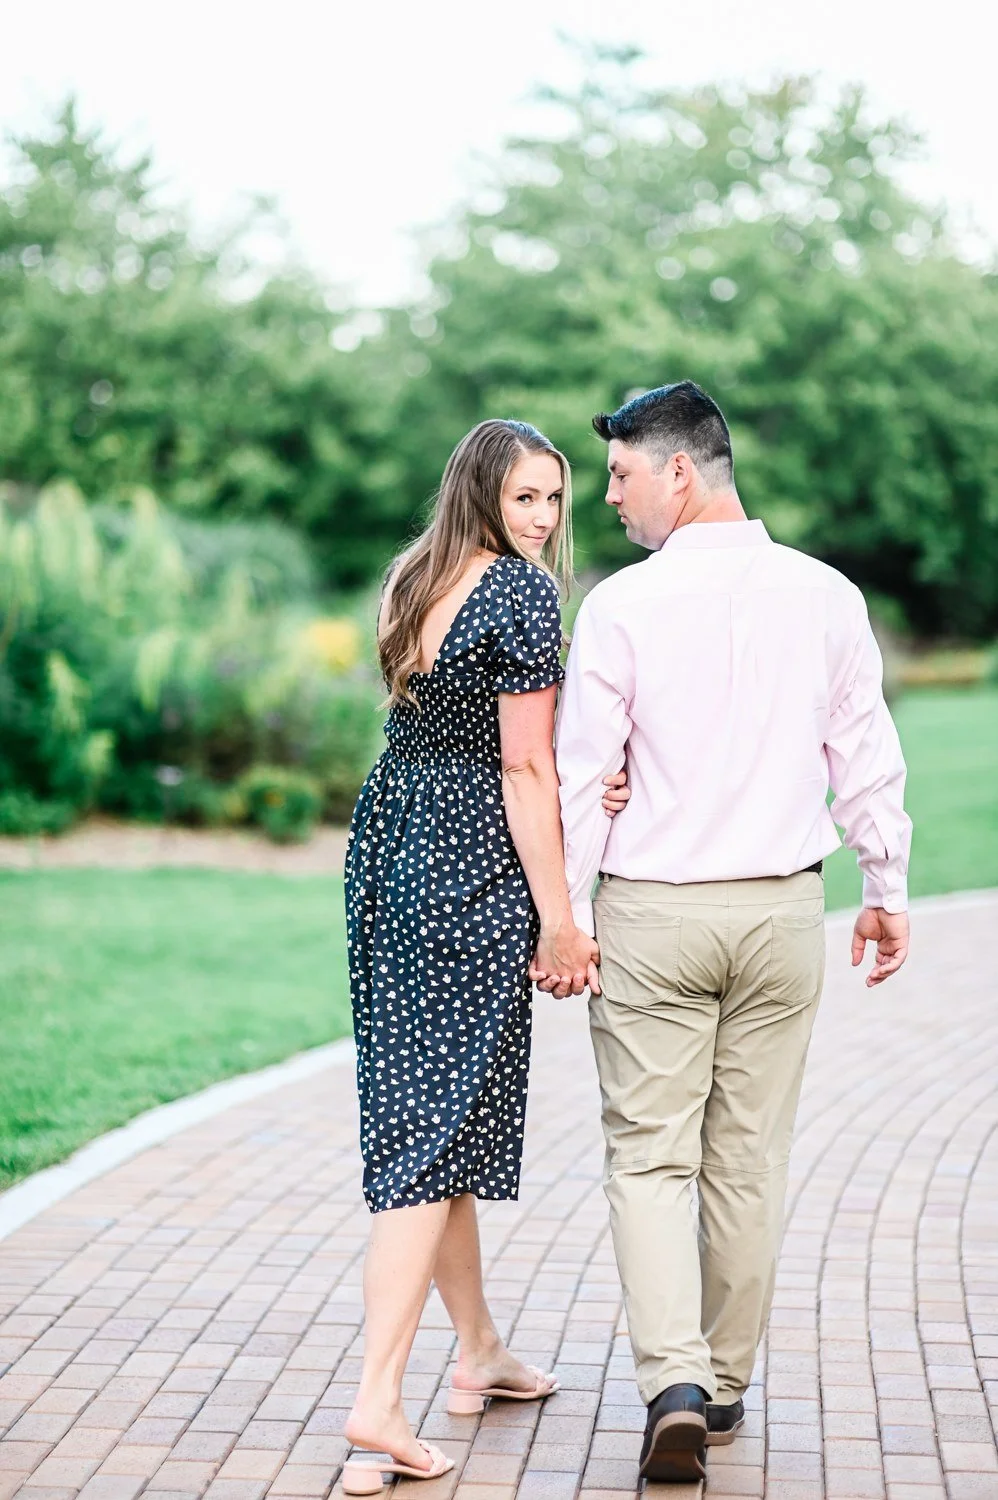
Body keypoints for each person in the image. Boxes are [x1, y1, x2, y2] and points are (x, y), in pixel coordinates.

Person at [548, 381, 912, 1484]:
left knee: (650, 1157)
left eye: (620, 475)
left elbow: (579, 776)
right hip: (779, 911)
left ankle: (671, 1381)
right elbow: (864, 751)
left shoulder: (622, 606)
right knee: (747, 1159)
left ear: (679, 471)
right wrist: (886, 885)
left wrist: (567, 916)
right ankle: (722, 1385)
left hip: (655, 914)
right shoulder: (826, 595)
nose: (608, 497)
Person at [341, 418, 628, 1493]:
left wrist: (574, 777)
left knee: (437, 1113)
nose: (543, 519)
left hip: (391, 853)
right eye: (524, 498)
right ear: (481, 493)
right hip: (466, 870)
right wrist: (559, 919)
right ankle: (377, 1401)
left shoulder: (411, 578)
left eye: (553, 498)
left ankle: (479, 1352)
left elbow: (452, 735)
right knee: (426, 1138)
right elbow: (518, 768)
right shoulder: (518, 593)